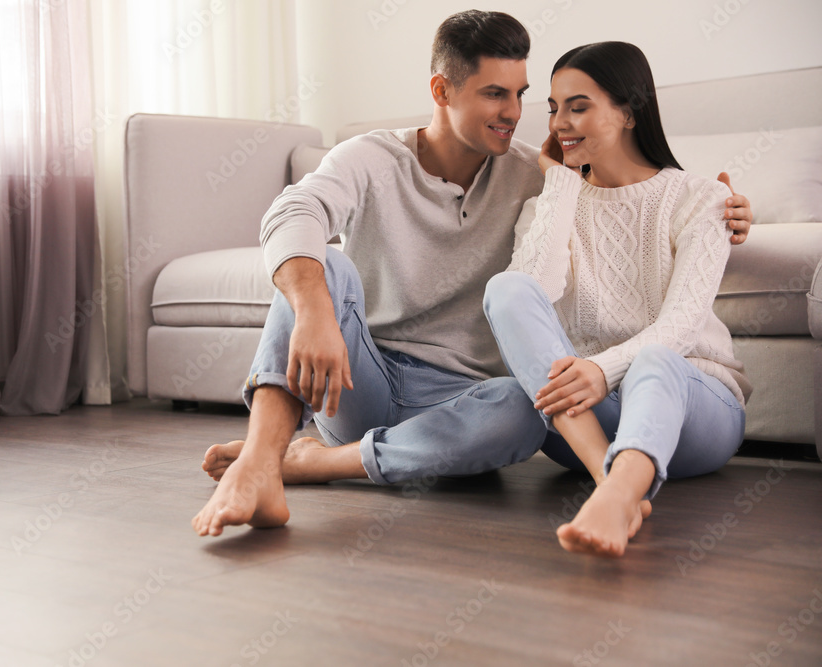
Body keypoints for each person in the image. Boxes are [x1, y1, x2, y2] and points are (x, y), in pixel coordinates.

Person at [191, 11, 753, 538]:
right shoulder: (371, 157)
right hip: (363, 382)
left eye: (521, 96)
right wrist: (315, 310)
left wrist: (728, 211)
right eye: (494, 94)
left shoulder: (538, 174)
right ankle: (262, 463)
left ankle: (321, 464)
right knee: (318, 265)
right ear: (442, 91)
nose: (517, 113)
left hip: (467, 401)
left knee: (524, 407)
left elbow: (631, 200)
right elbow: (293, 213)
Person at [483, 41, 752, 557]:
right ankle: (609, 476)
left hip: (695, 411)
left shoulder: (701, 199)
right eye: (554, 108)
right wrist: (560, 183)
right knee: (506, 287)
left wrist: (602, 369)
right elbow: (529, 296)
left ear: (628, 111)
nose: (560, 122)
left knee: (656, 358)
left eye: (578, 106)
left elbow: (683, 328)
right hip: (586, 417)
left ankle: (620, 492)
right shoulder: (547, 207)